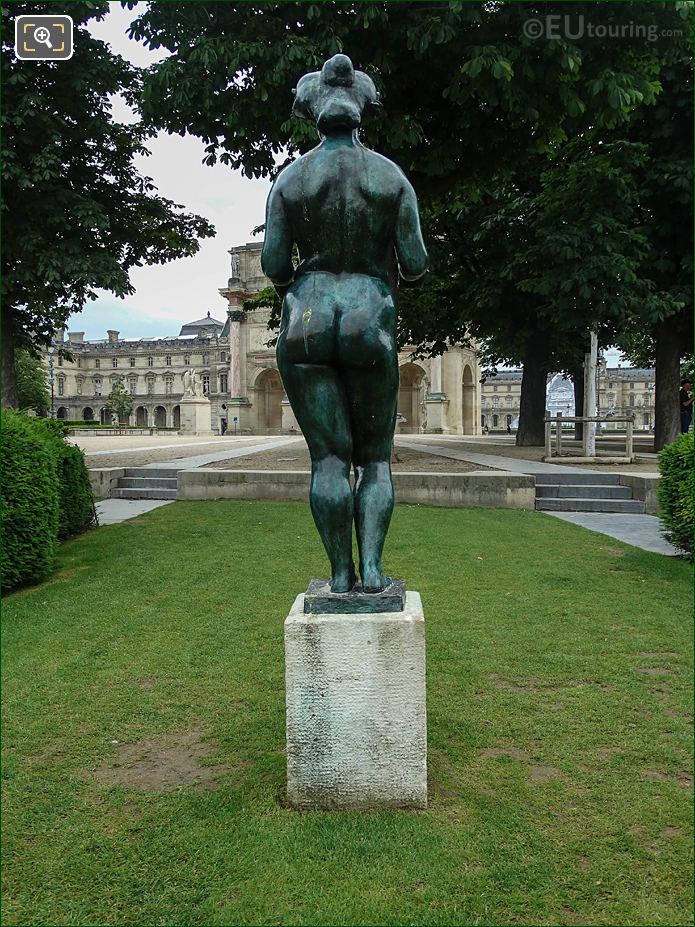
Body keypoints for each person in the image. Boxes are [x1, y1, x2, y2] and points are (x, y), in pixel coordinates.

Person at [262, 54, 428, 593]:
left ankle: (339, 574)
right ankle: (374, 570)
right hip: (367, 313)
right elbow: (417, 262)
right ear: (361, 110)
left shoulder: (290, 179)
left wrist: (307, 279)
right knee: (375, 459)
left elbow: (274, 266)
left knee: (328, 461)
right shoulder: (389, 176)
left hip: (305, 316)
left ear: (313, 112)